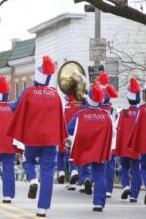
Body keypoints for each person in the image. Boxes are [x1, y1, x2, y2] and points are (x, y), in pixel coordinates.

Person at [7, 55, 67, 218]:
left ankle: (33, 179)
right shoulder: (55, 95)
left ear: (36, 80)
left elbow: (13, 108)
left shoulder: (28, 92)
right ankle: (42, 209)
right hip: (51, 140)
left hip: (32, 138)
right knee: (48, 172)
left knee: (28, 161)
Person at [68, 83, 113, 212]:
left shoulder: (81, 114)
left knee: (82, 165)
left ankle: (85, 178)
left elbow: (69, 130)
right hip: (99, 149)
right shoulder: (107, 115)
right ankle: (98, 203)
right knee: (99, 174)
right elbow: (112, 133)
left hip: (84, 148)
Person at [114, 77, 142, 202]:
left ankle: (125, 186)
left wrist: (118, 147)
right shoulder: (141, 112)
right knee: (136, 170)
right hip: (136, 148)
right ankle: (134, 196)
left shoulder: (122, 113)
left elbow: (118, 130)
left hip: (124, 147)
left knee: (124, 168)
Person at [97, 72, 118, 198]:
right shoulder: (113, 110)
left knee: (99, 165)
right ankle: (109, 189)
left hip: (100, 140)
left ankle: (101, 187)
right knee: (110, 164)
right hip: (112, 141)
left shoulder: (99, 111)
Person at [128, 77, 146, 206]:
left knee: (144, 168)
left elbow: (136, 128)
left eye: (143, 93)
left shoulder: (142, 109)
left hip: (145, 146)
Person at [57, 95, 83, 189]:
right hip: (80, 134)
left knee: (61, 154)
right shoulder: (83, 106)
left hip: (66, 133)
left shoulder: (65, 105)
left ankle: (61, 172)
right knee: (80, 157)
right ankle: (81, 181)